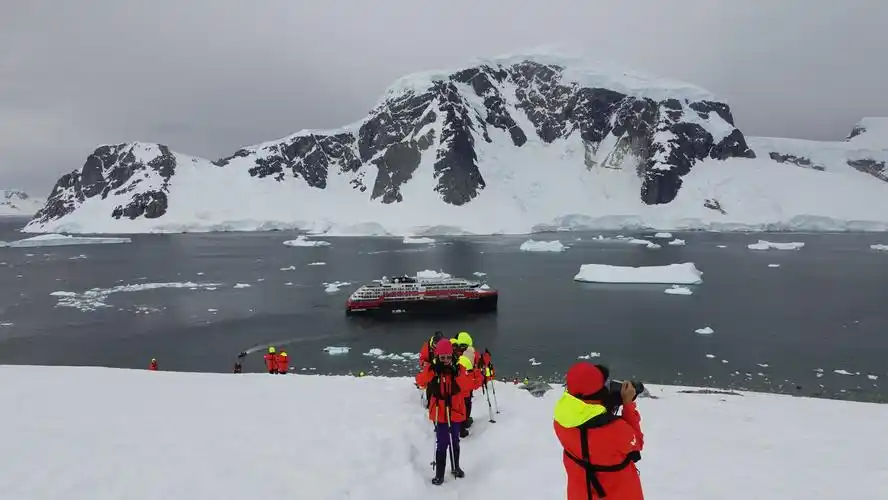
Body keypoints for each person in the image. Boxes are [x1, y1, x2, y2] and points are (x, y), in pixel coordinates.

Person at [553, 362, 644, 500]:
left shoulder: (560, 422)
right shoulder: (617, 429)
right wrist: (628, 405)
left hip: (580, 494)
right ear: (599, 393)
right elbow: (637, 443)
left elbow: (586, 421)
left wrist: (604, 407)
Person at [415, 339, 472, 485]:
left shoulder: (458, 368)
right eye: (442, 357)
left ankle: (455, 467)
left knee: (455, 440)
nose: (446, 360)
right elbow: (420, 381)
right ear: (438, 357)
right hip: (440, 412)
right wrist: (431, 370)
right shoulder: (433, 370)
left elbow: (467, 385)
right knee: (442, 442)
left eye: (448, 357)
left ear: (451, 355)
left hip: (455, 410)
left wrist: (457, 374)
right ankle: (439, 474)